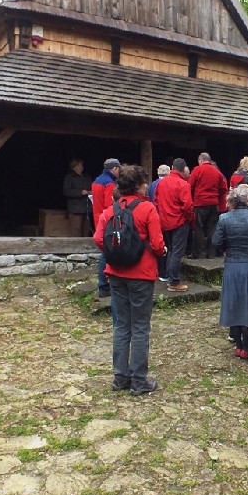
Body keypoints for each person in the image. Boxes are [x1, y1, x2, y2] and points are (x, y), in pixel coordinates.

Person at [93, 165, 166, 396]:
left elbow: (98, 239)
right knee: (140, 327)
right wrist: (160, 251)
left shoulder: (110, 210)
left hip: (116, 274)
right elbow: (157, 244)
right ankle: (139, 381)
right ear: (138, 185)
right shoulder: (147, 209)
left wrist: (117, 254)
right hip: (141, 275)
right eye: (145, 182)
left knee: (122, 326)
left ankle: (120, 377)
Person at [212, 184, 248, 359]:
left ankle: (238, 345)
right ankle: (247, 346)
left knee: (234, 303)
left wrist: (227, 248)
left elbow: (216, 242)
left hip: (232, 265)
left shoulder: (224, 218)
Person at [155, 158, 193, 292]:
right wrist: (189, 218)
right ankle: (174, 282)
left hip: (165, 220)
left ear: (172, 167)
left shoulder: (161, 183)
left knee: (171, 249)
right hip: (179, 221)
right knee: (177, 252)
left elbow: (156, 200)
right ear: (183, 169)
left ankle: (169, 276)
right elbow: (187, 205)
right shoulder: (183, 184)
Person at [189, 152, 228, 259]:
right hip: (214, 204)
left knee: (198, 227)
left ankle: (196, 253)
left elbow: (190, 186)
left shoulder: (197, 170)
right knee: (212, 228)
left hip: (200, 203)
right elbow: (223, 188)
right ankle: (211, 253)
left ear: (201, 160)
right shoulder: (217, 172)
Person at [92, 158, 121, 297]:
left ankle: (105, 284)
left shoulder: (96, 181)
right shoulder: (109, 184)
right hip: (107, 222)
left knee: (105, 253)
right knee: (106, 254)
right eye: (118, 169)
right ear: (114, 168)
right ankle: (104, 286)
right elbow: (110, 205)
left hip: (98, 219)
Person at [149, 164, 171, 280]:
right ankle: (164, 273)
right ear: (168, 173)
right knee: (165, 245)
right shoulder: (168, 184)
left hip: (153, 217)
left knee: (156, 243)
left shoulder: (151, 185)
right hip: (165, 218)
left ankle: (158, 271)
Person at [62, 158, 93, 237]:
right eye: (79, 165)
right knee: (76, 230)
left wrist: (91, 192)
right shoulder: (69, 177)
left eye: (81, 165)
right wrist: (80, 192)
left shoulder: (86, 177)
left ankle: (86, 244)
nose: (81, 167)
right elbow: (66, 191)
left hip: (87, 208)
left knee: (86, 229)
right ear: (74, 167)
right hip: (75, 209)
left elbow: (92, 187)